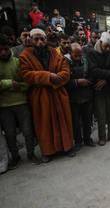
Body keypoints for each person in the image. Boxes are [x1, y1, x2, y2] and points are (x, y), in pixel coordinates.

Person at [19, 28, 74, 163]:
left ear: (46, 39)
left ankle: (68, 147)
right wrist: (48, 76)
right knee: (44, 124)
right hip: (40, 96)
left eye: (42, 39)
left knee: (64, 120)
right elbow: (26, 75)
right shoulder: (24, 56)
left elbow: (66, 72)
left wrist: (56, 79)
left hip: (58, 93)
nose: (40, 42)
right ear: (31, 40)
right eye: (36, 39)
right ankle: (47, 151)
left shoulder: (55, 53)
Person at [0, 34, 41, 169]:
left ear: (10, 47)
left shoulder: (18, 62)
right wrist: (10, 84)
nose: (3, 52)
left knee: (27, 131)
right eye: (0, 50)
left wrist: (17, 86)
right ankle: (15, 157)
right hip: (4, 105)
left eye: (6, 49)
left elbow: (27, 82)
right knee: (10, 133)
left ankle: (31, 154)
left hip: (22, 102)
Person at [87, 32, 110, 146]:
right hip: (98, 88)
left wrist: (106, 79)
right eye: (106, 46)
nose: (107, 49)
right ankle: (102, 137)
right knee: (101, 115)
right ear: (101, 42)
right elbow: (93, 70)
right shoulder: (92, 53)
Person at [65, 43, 96, 150]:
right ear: (69, 53)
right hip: (73, 98)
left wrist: (87, 81)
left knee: (87, 120)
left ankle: (87, 138)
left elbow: (92, 75)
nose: (78, 58)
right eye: (76, 56)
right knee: (76, 122)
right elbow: (65, 81)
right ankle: (78, 140)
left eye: (80, 55)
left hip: (87, 97)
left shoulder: (86, 61)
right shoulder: (65, 63)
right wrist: (77, 82)